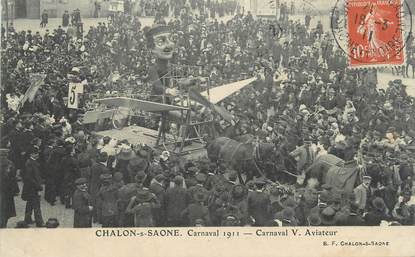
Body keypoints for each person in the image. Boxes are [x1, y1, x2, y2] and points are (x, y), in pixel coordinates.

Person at [21, 148, 44, 227]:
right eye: (35, 153)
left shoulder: (31, 162)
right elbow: (29, 177)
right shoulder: (31, 163)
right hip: (33, 188)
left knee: (30, 204)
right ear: (31, 154)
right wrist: (38, 186)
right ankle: (39, 222)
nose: (37, 154)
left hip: (30, 187)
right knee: (36, 205)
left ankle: (27, 219)